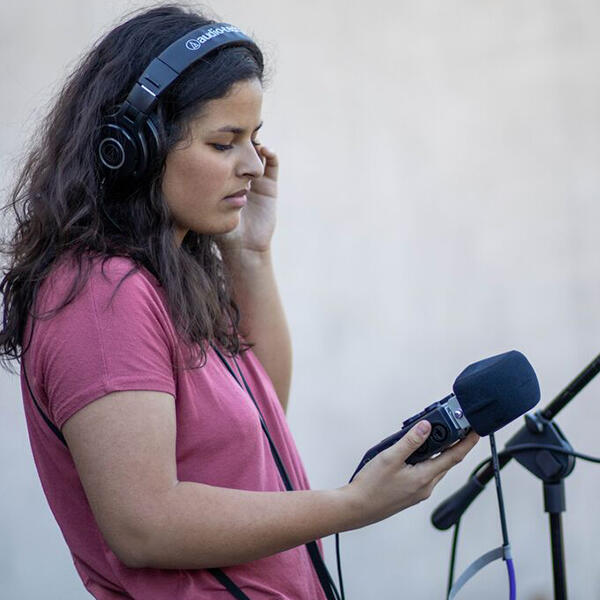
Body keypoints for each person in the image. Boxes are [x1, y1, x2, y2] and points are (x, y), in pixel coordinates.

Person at [0, 4, 479, 599]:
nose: (253, 165)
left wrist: (250, 255)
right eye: (225, 142)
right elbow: (144, 523)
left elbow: (260, 418)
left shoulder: (166, 276)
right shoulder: (102, 299)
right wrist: (352, 506)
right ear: (132, 149)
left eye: (254, 139)